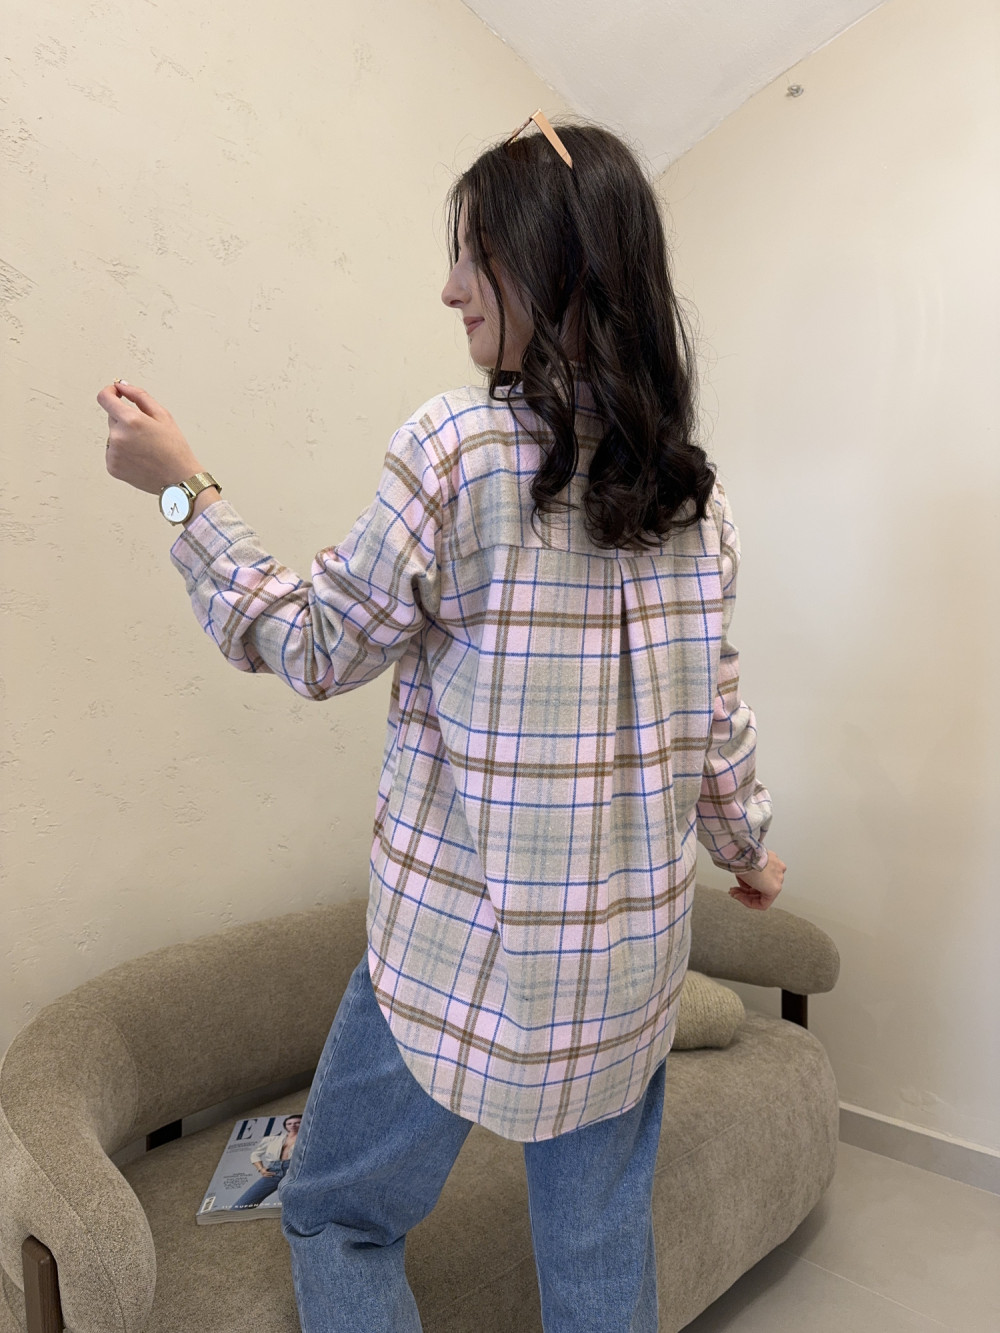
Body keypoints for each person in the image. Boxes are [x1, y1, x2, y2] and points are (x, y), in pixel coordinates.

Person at [97, 114, 785, 1333]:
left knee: (335, 1215)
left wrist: (179, 492)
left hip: (456, 959)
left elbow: (313, 646)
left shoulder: (455, 449)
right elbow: (712, 713)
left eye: (477, 254)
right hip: (626, 975)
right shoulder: (698, 503)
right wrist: (749, 850)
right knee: (598, 1263)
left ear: (556, 267)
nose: (451, 287)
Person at [231, 1115, 302, 1211]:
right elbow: (255, 1154)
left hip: (296, 1171)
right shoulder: (272, 1139)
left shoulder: (309, 1139)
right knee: (241, 1205)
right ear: (285, 1126)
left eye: (297, 1123)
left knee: (299, 1205)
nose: (293, 1125)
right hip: (273, 1171)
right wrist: (261, 1169)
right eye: (289, 1123)